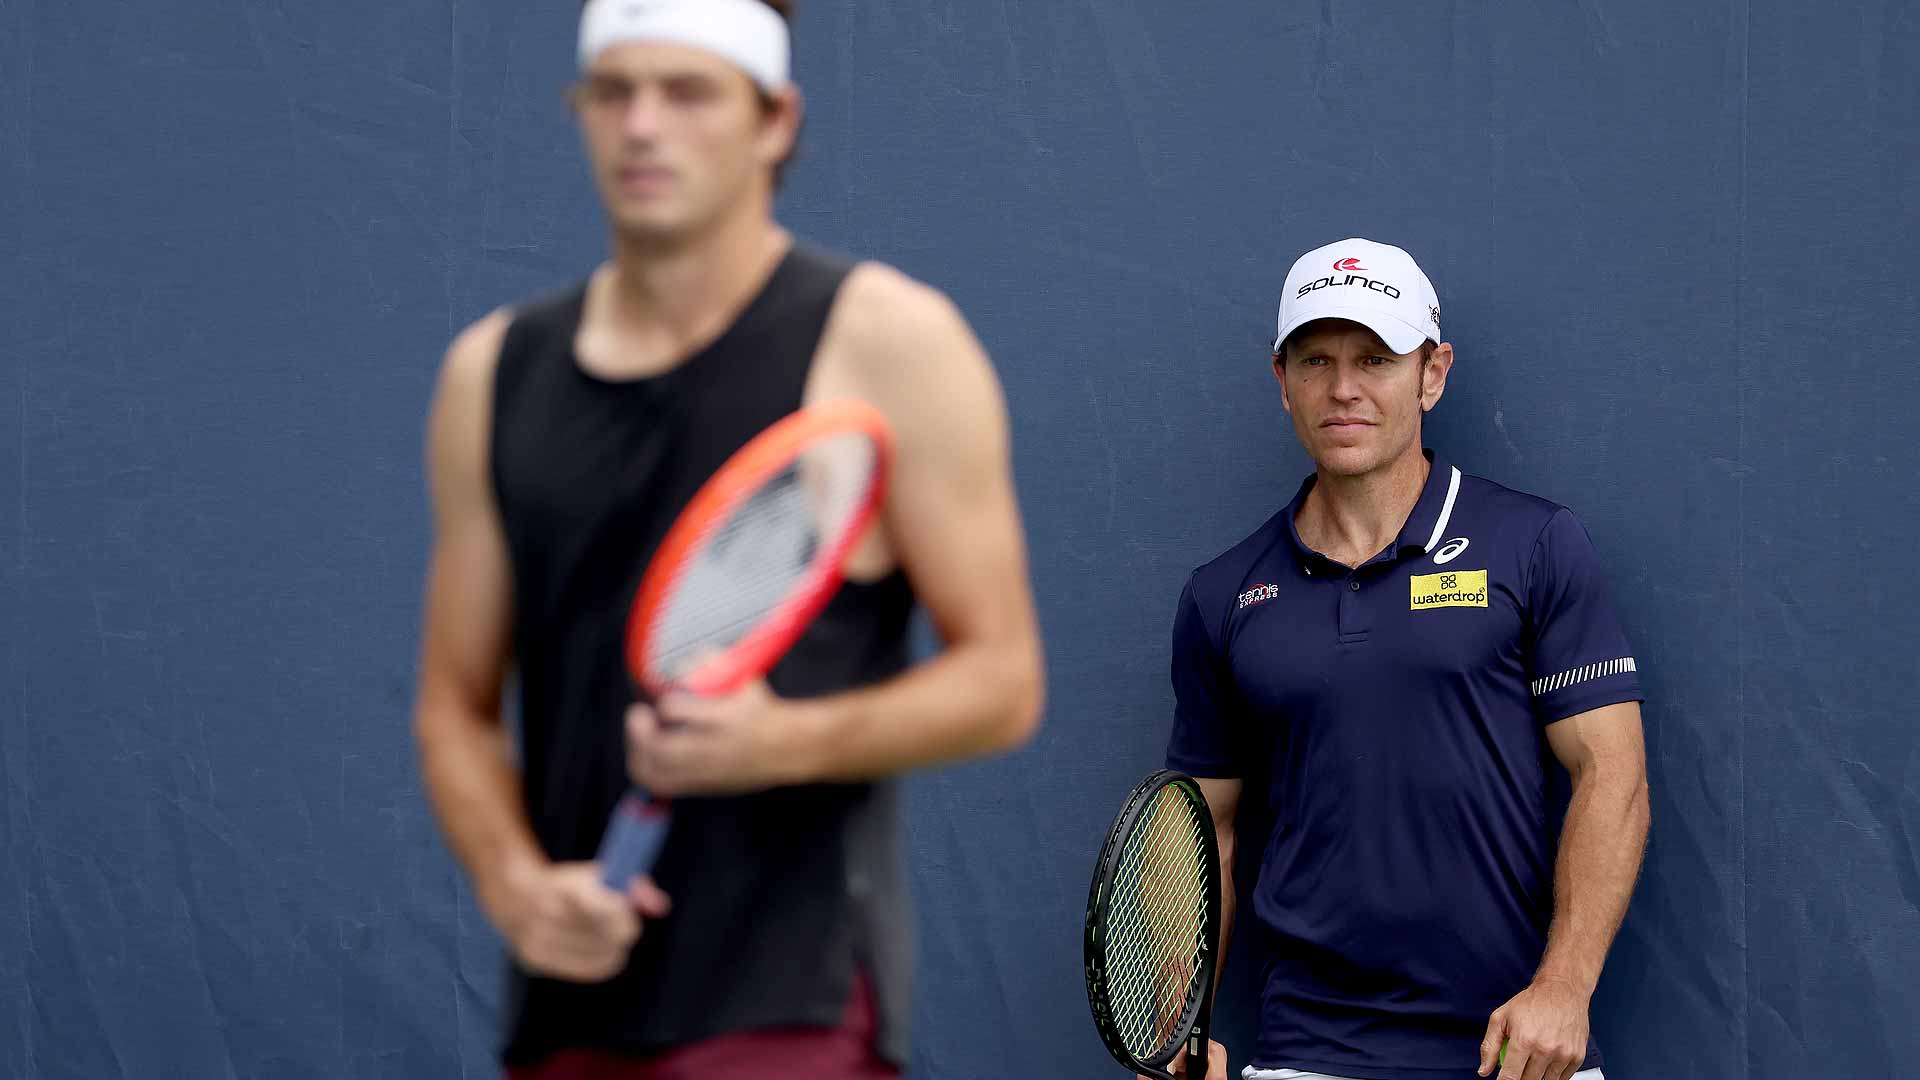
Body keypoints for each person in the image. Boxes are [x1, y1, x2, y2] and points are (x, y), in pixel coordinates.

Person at [410, 1, 1045, 1076]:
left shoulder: (892, 343)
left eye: (689, 91)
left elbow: (1003, 682)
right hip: (570, 1004)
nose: (643, 126)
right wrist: (518, 890)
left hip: (789, 1004)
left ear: (775, 121)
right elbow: (454, 706)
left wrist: (779, 743)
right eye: (613, 93)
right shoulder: (492, 372)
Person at [1160, 238, 1649, 1080]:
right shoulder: (1223, 594)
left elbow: (1615, 775)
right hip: (1309, 1055)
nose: (1343, 389)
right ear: (1281, 381)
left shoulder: (1533, 543)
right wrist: (1175, 1026)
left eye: (1375, 359)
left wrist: (1565, 988)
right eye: (1316, 359)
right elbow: (1207, 831)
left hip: (1517, 1053)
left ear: (1432, 372)